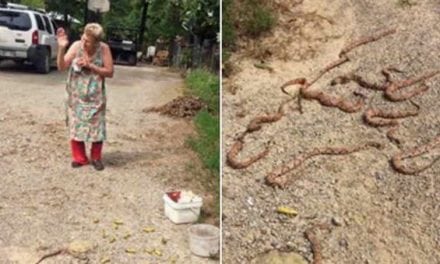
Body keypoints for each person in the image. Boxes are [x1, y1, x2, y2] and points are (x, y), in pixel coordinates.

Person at [56, 23, 114, 171]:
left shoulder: (104, 49)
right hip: (76, 95)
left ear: (96, 42)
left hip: (96, 96)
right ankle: (80, 158)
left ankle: (96, 157)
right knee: (76, 125)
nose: (83, 42)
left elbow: (109, 72)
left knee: (97, 126)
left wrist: (91, 66)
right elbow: (62, 66)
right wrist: (62, 48)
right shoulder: (76, 46)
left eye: (87, 41)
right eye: (83, 37)